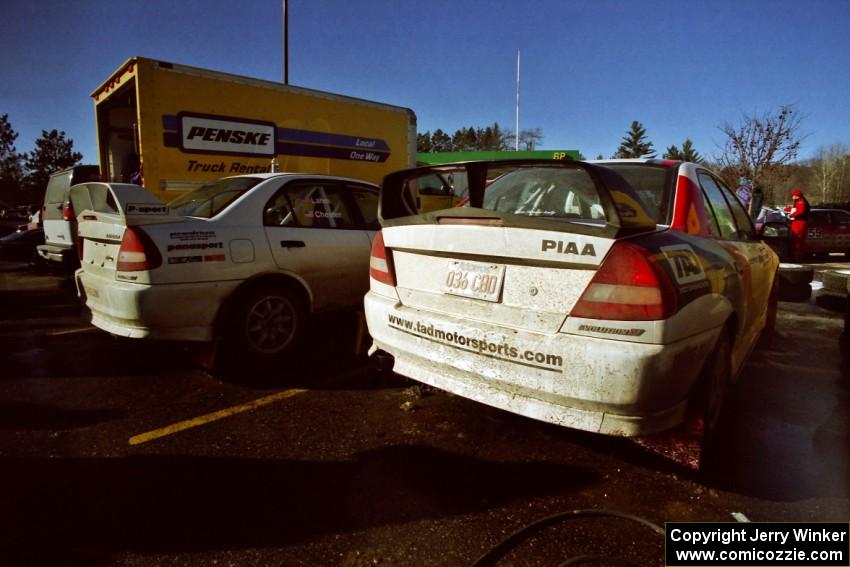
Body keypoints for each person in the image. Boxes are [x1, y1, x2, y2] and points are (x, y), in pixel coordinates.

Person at [784, 188, 810, 259]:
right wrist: (787, 209)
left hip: (799, 222)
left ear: (796, 195)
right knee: (798, 239)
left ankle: (796, 255)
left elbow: (800, 210)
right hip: (800, 222)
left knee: (797, 238)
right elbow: (796, 209)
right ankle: (798, 254)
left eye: (793, 196)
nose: (792, 197)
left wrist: (791, 215)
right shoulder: (800, 201)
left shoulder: (801, 202)